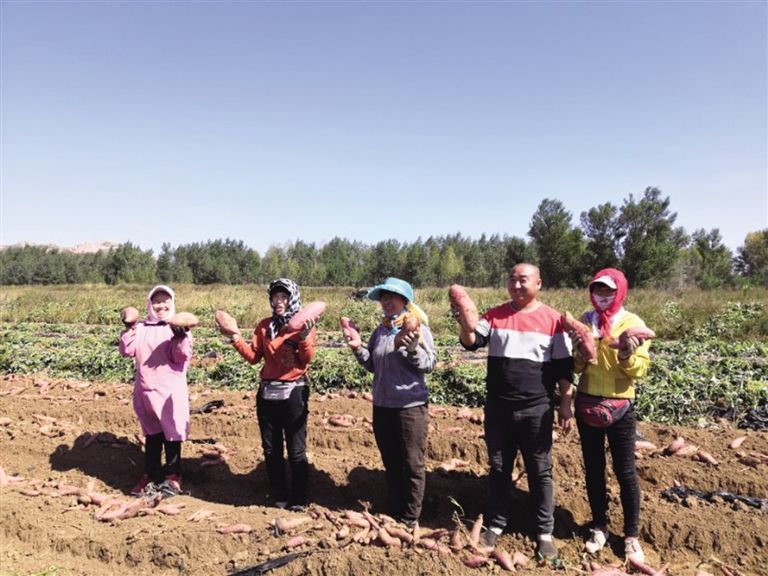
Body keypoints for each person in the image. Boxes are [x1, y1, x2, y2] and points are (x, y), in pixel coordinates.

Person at [456, 263, 574, 562]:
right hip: (499, 407)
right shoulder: (494, 316)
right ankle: (496, 524)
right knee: (499, 468)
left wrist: (565, 403)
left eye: (523, 280)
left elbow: (564, 366)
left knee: (540, 470)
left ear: (539, 284)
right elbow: (472, 343)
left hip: (537, 408)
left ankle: (544, 532)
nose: (517, 285)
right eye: (512, 279)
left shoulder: (554, 320)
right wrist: (465, 324)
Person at [568, 268, 652, 563]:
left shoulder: (634, 324)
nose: (602, 296)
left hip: (620, 405)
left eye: (608, 291)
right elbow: (576, 368)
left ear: (620, 292)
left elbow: (641, 370)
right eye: (598, 290)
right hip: (588, 403)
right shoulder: (585, 321)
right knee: (593, 468)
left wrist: (627, 355)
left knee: (625, 471)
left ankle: (631, 535)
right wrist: (579, 352)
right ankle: (599, 526)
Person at [343, 277, 437, 529]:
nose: (386, 302)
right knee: (391, 460)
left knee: (412, 462)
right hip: (383, 405)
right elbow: (373, 364)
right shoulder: (380, 331)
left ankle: (411, 516)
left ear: (404, 301)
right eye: (383, 297)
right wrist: (357, 348)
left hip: (410, 407)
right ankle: (396, 507)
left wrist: (413, 350)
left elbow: (429, 364)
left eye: (391, 297)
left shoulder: (418, 329)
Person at [221, 278, 317, 511]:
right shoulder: (265, 326)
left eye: (284, 297)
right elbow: (254, 357)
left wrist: (304, 338)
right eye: (275, 296)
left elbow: (306, 360)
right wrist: (235, 337)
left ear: (292, 299)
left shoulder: (304, 325)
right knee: (271, 449)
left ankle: (299, 499)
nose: (279, 301)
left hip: (294, 392)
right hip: (267, 392)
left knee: (296, 449)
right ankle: (280, 495)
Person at [119, 284, 192, 499]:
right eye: (157, 301)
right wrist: (129, 327)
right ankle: (150, 474)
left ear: (172, 303)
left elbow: (180, 357)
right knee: (152, 435)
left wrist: (179, 337)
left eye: (165, 301)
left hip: (170, 392)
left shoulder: (178, 328)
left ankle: (173, 476)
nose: (161, 305)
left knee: (172, 435)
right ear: (150, 304)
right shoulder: (141, 328)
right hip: (146, 389)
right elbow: (127, 350)